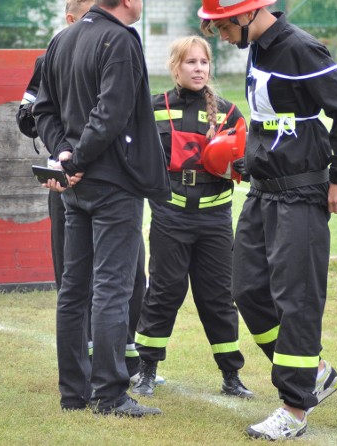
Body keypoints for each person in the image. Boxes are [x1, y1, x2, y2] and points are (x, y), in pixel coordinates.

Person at [197, 0, 337, 440]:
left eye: (224, 25)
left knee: (296, 300)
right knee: (246, 289)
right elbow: (269, 121)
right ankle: (311, 373)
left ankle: (294, 409)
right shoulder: (257, 47)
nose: (221, 34)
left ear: (249, 12)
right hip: (262, 192)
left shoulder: (300, 47)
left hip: (301, 194)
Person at [34, 0, 169, 417]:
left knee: (74, 288)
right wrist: (81, 158)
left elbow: (43, 111)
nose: (141, 3)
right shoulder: (121, 40)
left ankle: (74, 392)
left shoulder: (63, 39)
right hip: (112, 181)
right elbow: (111, 114)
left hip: (75, 183)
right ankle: (110, 393)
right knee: (111, 287)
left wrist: (65, 156)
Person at [17, 0, 147, 381]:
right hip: (79, 181)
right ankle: (102, 379)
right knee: (87, 282)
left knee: (127, 275)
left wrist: (69, 155)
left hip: (78, 173)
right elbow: (31, 115)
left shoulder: (112, 46)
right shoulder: (57, 51)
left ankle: (115, 363)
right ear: (72, 20)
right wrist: (69, 155)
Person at [131, 36, 253, 400]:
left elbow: (248, 163)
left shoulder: (230, 113)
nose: (199, 69)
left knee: (217, 297)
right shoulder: (153, 108)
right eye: (190, 63)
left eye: (203, 62)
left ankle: (231, 375)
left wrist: (243, 164)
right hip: (171, 215)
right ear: (175, 67)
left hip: (215, 219)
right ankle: (147, 369)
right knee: (165, 292)